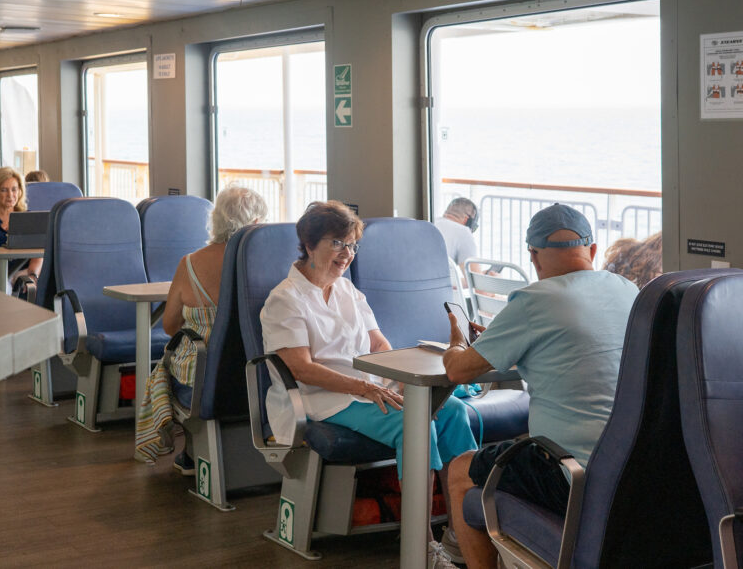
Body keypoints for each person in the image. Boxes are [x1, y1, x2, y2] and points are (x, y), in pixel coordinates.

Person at [262, 200, 477, 562]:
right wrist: (365, 387)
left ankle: (461, 532)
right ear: (310, 243)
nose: (347, 254)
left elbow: (378, 343)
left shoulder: (347, 290)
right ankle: (421, 545)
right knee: (415, 426)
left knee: (454, 412)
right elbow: (302, 369)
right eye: (337, 243)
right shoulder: (285, 299)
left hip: (371, 387)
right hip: (325, 398)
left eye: (352, 245)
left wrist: (400, 379)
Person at [442, 204, 638, 569]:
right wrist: (503, 343)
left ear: (533, 255)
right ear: (592, 250)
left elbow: (458, 372)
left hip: (571, 475)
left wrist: (457, 343)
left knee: (459, 471)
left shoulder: (534, 300)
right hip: (633, 469)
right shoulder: (628, 290)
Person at [134, 186, 268, 467]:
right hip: (260, 375)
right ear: (256, 225)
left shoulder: (190, 264)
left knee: (166, 369)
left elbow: (170, 326)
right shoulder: (268, 265)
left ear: (216, 219)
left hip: (204, 376)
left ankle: (191, 453)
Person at [433, 198, 486, 278]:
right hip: (437, 288)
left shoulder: (431, 221)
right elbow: (479, 286)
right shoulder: (463, 232)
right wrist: (496, 279)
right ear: (467, 220)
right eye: (474, 227)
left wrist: (474, 278)